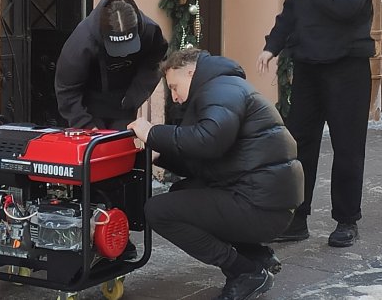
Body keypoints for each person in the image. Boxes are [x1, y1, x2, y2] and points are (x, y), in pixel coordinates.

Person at [128, 48, 303, 300]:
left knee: (158, 211)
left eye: (175, 87)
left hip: (261, 205)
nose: (175, 97)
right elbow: (209, 159)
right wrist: (161, 155)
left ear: (191, 72)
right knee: (182, 194)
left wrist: (153, 133)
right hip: (265, 198)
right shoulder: (222, 86)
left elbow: (210, 141)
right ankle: (255, 254)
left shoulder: (220, 89)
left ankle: (245, 271)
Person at [256, 0, 373, 248]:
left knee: (347, 147)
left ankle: (346, 220)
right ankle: (296, 218)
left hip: (347, 68)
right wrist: (272, 46)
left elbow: (347, 6)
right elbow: (293, 8)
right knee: (300, 143)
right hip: (309, 65)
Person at [55, 0, 169, 130]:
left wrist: (135, 95)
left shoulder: (150, 31)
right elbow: (67, 90)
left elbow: (155, 61)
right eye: (116, 48)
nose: (123, 55)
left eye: (128, 46)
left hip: (125, 104)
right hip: (89, 105)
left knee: (122, 146)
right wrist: (84, 125)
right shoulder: (81, 43)